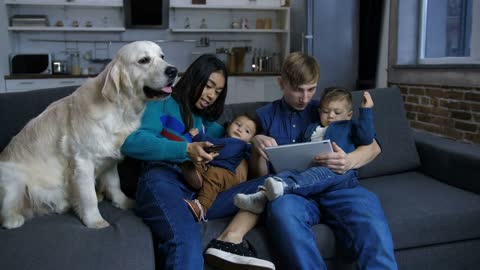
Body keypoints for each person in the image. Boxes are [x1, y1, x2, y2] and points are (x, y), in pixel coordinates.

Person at [204, 52, 398, 270]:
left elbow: (373, 146)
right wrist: (258, 149)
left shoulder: (327, 108)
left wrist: (349, 160)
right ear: (281, 83)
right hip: (293, 195)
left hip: (339, 188)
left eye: (311, 89)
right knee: (282, 211)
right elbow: (262, 178)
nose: (305, 98)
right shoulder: (265, 116)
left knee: (368, 214)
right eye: (297, 89)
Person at [121, 54, 266, 269]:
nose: (211, 96)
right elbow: (132, 142)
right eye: (209, 86)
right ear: (194, 78)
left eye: (218, 92)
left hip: (202, 194)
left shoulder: (212, 126)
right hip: (163, 178)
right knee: (186, 238)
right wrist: (186, 149)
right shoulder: (160, 102)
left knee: (273, 185)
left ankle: (228, 241)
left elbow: (239, 147)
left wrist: (255, 142)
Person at [234, 87, 376, 214]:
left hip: (338, 172)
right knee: (286, 173)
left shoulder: (349, 126)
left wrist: (366, 110)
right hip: (309, 170)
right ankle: (261, 197)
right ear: (319, 112)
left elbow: (366, 137)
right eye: (326, 111)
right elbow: (303, 148)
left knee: (321, 171)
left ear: (349, 115)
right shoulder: (312, 128)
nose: (331, 116)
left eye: (337, 112)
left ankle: (283, 187)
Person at [182, 113, 259, 221]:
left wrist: (198, 136)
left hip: (227, 174)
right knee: (201, 164)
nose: (240, 129)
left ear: (250, 140)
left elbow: (217, 149)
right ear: (229, 125)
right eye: (238, 124)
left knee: (215, 175)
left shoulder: (238, 144)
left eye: (247, 131)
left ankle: (201, 207)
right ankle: (198, 176)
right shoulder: (224, 139)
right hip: (213, 168)